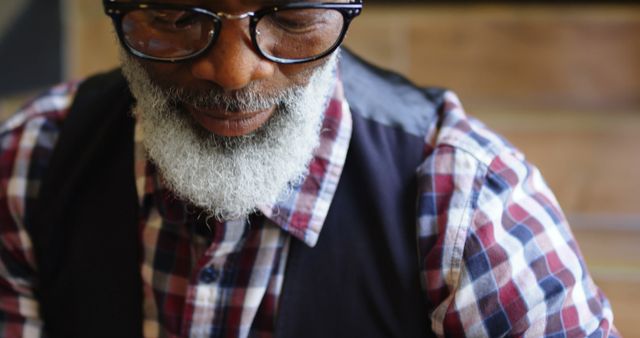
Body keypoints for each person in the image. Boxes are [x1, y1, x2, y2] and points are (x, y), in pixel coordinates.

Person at [0, 0, 619, 337]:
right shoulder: (30, 163)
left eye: (291, 19)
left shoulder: (472, 205)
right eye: (175, 17)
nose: (236, 73)